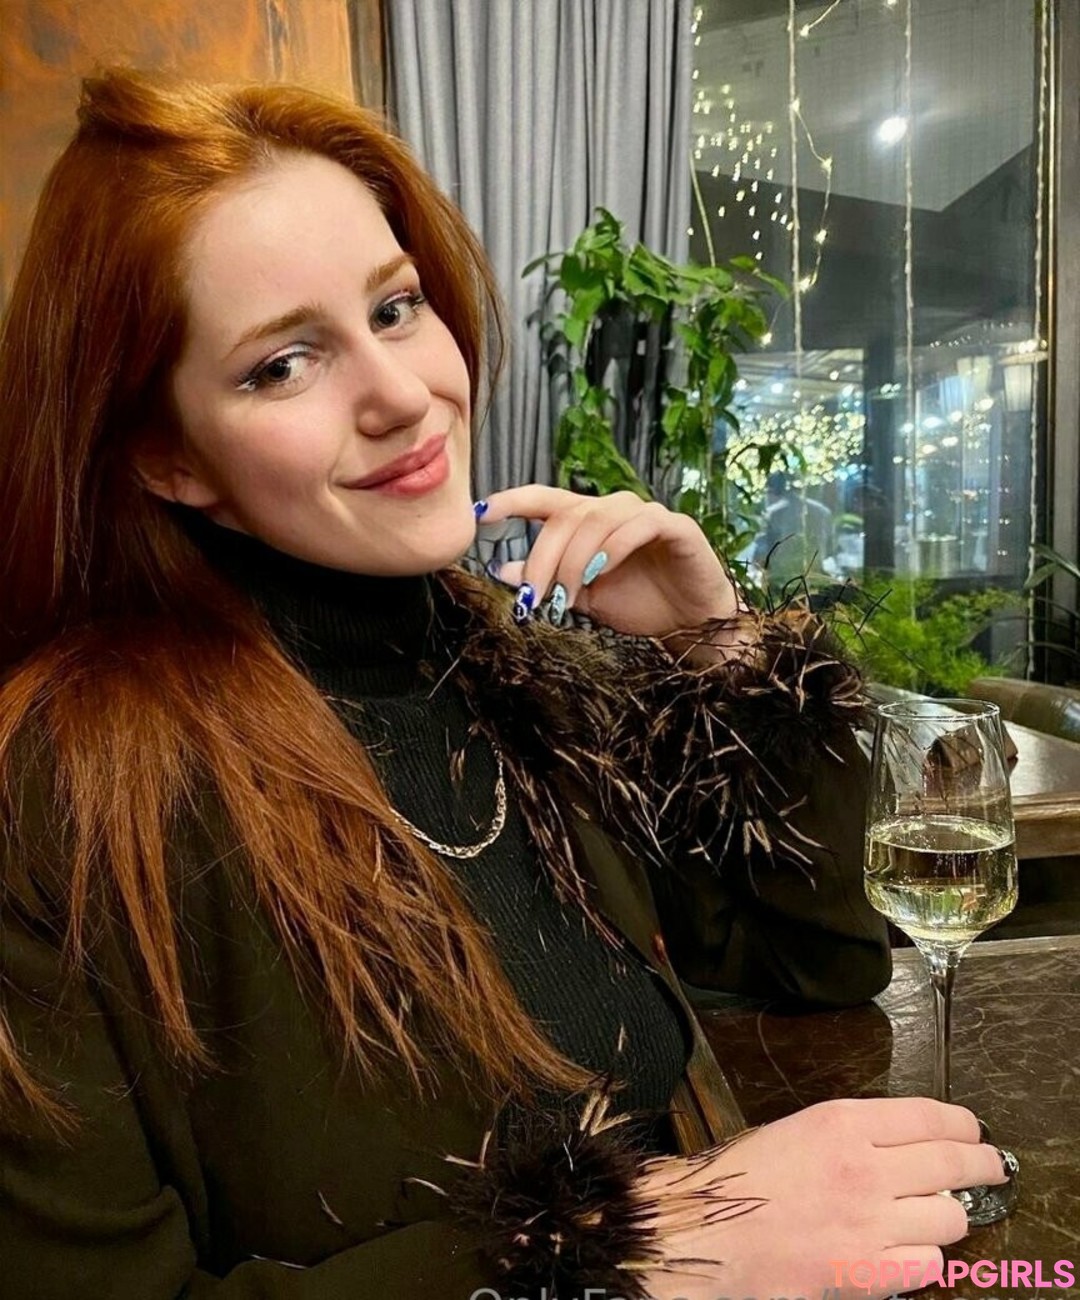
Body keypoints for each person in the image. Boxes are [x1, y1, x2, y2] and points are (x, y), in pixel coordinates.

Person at [0, 70, 1007, 1300]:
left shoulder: (508, 675)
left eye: (396, 306)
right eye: (282, 365)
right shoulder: (59, 799)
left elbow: (817, 966)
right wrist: (641, 1252)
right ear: (169, 457)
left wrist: (721, 651)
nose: (400, 394)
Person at [754, 468, 836, 587]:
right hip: (815, 580)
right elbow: (829, 550)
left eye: (768, 492)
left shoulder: (774, 514)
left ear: (773, 491)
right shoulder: (823, 512)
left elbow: (763, 554)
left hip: (781, 582)